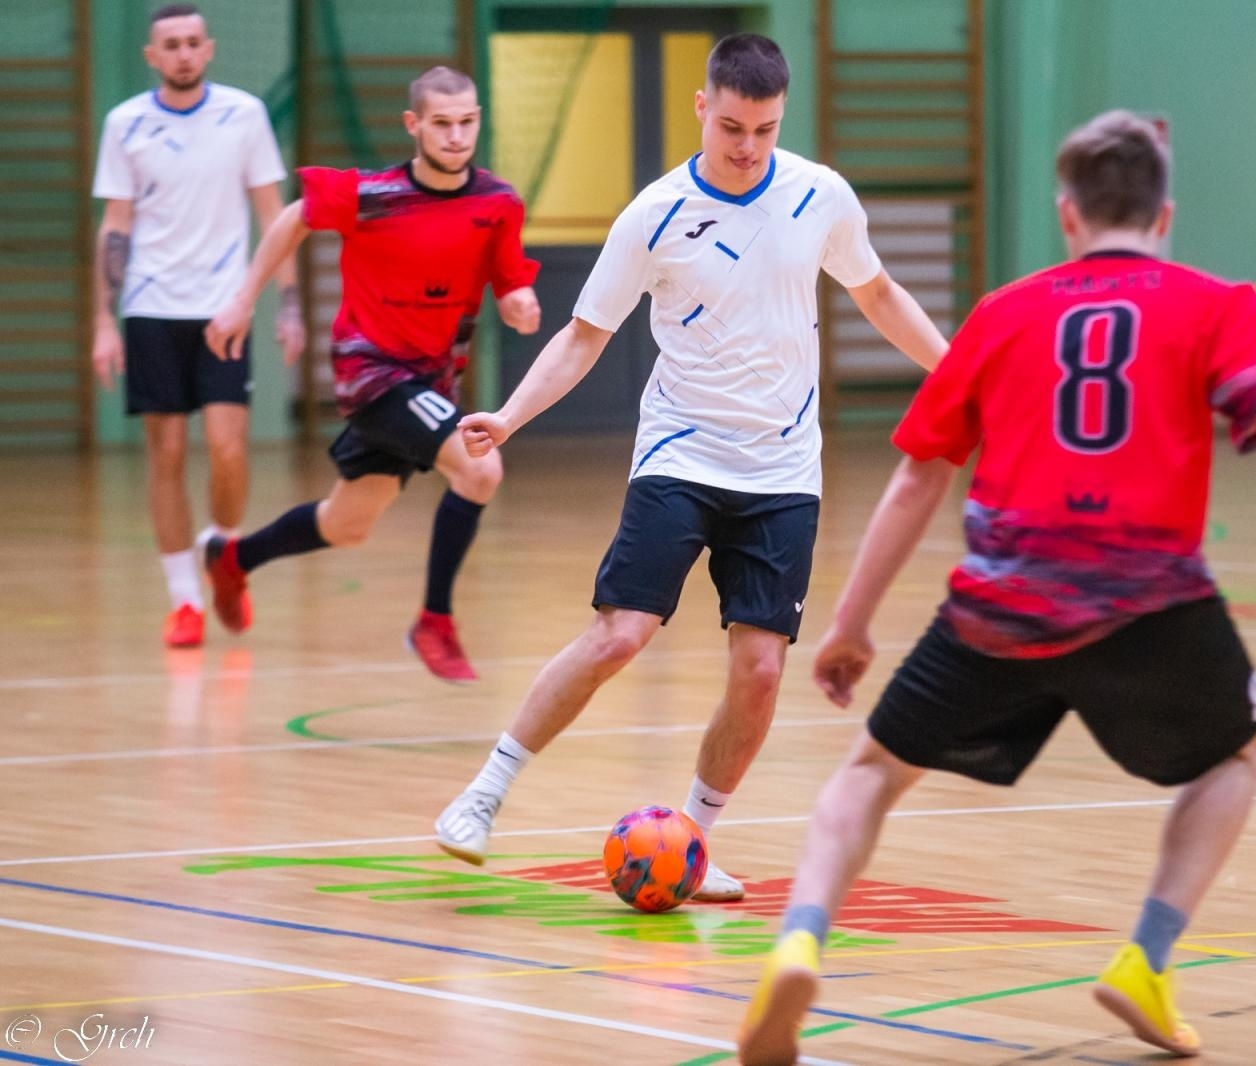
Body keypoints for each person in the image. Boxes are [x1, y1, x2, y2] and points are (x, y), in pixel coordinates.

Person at [734, 110, 1256, 1065]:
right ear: (1164, 214)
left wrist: (851, 624)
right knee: (1237, 752)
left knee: (868, 776)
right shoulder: (1216, 304)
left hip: (1004, 604)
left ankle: (798, 944)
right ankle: (1146, 960)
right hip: (1147, 601)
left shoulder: (1001, 314)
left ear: (1068, 214)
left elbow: (917, 478)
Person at [432, 34, 947, 901]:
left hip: (783, 468)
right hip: (682, 452)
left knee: (761, 669)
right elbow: (583, 336)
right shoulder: (655, 215)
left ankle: (693, 842)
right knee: (620, 634)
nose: (748, 147)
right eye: (733, 127)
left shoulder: (819, 195)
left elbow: (878, 295)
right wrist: (510, 417)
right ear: (703, 107)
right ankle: (483, 795)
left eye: (766, 130)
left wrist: (958, 373)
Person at [201, 66, 541, 683]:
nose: (457, 135)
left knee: (346, 525)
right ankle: (434, 621)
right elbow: (293, 217)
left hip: (430, 381)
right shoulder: (373, 194)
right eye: (442, 123)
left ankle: (234, 558)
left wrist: (519, 302)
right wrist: (244, 299)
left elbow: (509, 277)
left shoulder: (497, 203)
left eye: (467, 122)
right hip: (371, 370)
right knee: (480, 466)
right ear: (414, 125)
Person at [91, 2, 303, 649]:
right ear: (152, 56)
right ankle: (184, 601)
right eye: (171, 45)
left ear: (208, 49)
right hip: (150, 306)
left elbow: (274, 215)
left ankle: (223, 551)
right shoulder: (125, 123)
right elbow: (116, 226)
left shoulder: (244, 115)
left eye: (192, 43)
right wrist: (103, 321)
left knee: (229, 448)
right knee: (168, 454)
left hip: (223, 308)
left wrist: (289, 303)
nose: (183, 53)